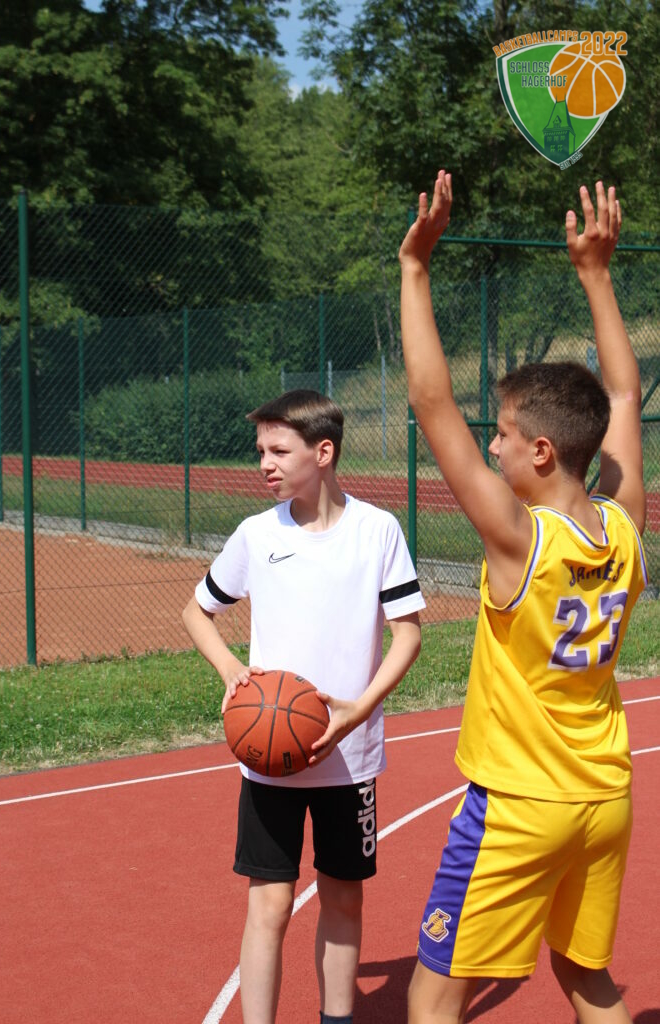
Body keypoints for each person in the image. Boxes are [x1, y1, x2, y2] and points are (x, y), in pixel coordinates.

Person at [398, 171, 647, 1024]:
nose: (491, 446)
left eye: (501, 435)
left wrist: (415, 268)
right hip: (602, 796)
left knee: (433, 997)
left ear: (541, 452)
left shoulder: (518, 540)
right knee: (585, 977)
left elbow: (429, 400)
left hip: (518, 803)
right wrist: (595, 275)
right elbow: (623, 396)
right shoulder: (624, 528)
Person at [182, 389, 424, 1024]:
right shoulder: (256, 534)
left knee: (344, 899)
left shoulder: (377, 530)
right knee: (269, 904)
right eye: (260, 450)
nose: (264, 463)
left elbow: (408, 635)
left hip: (351, 757)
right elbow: (197, 611)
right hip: (269, 756)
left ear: (323, 452)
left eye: (278, 450)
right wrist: (231, 670)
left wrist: (358, 709)